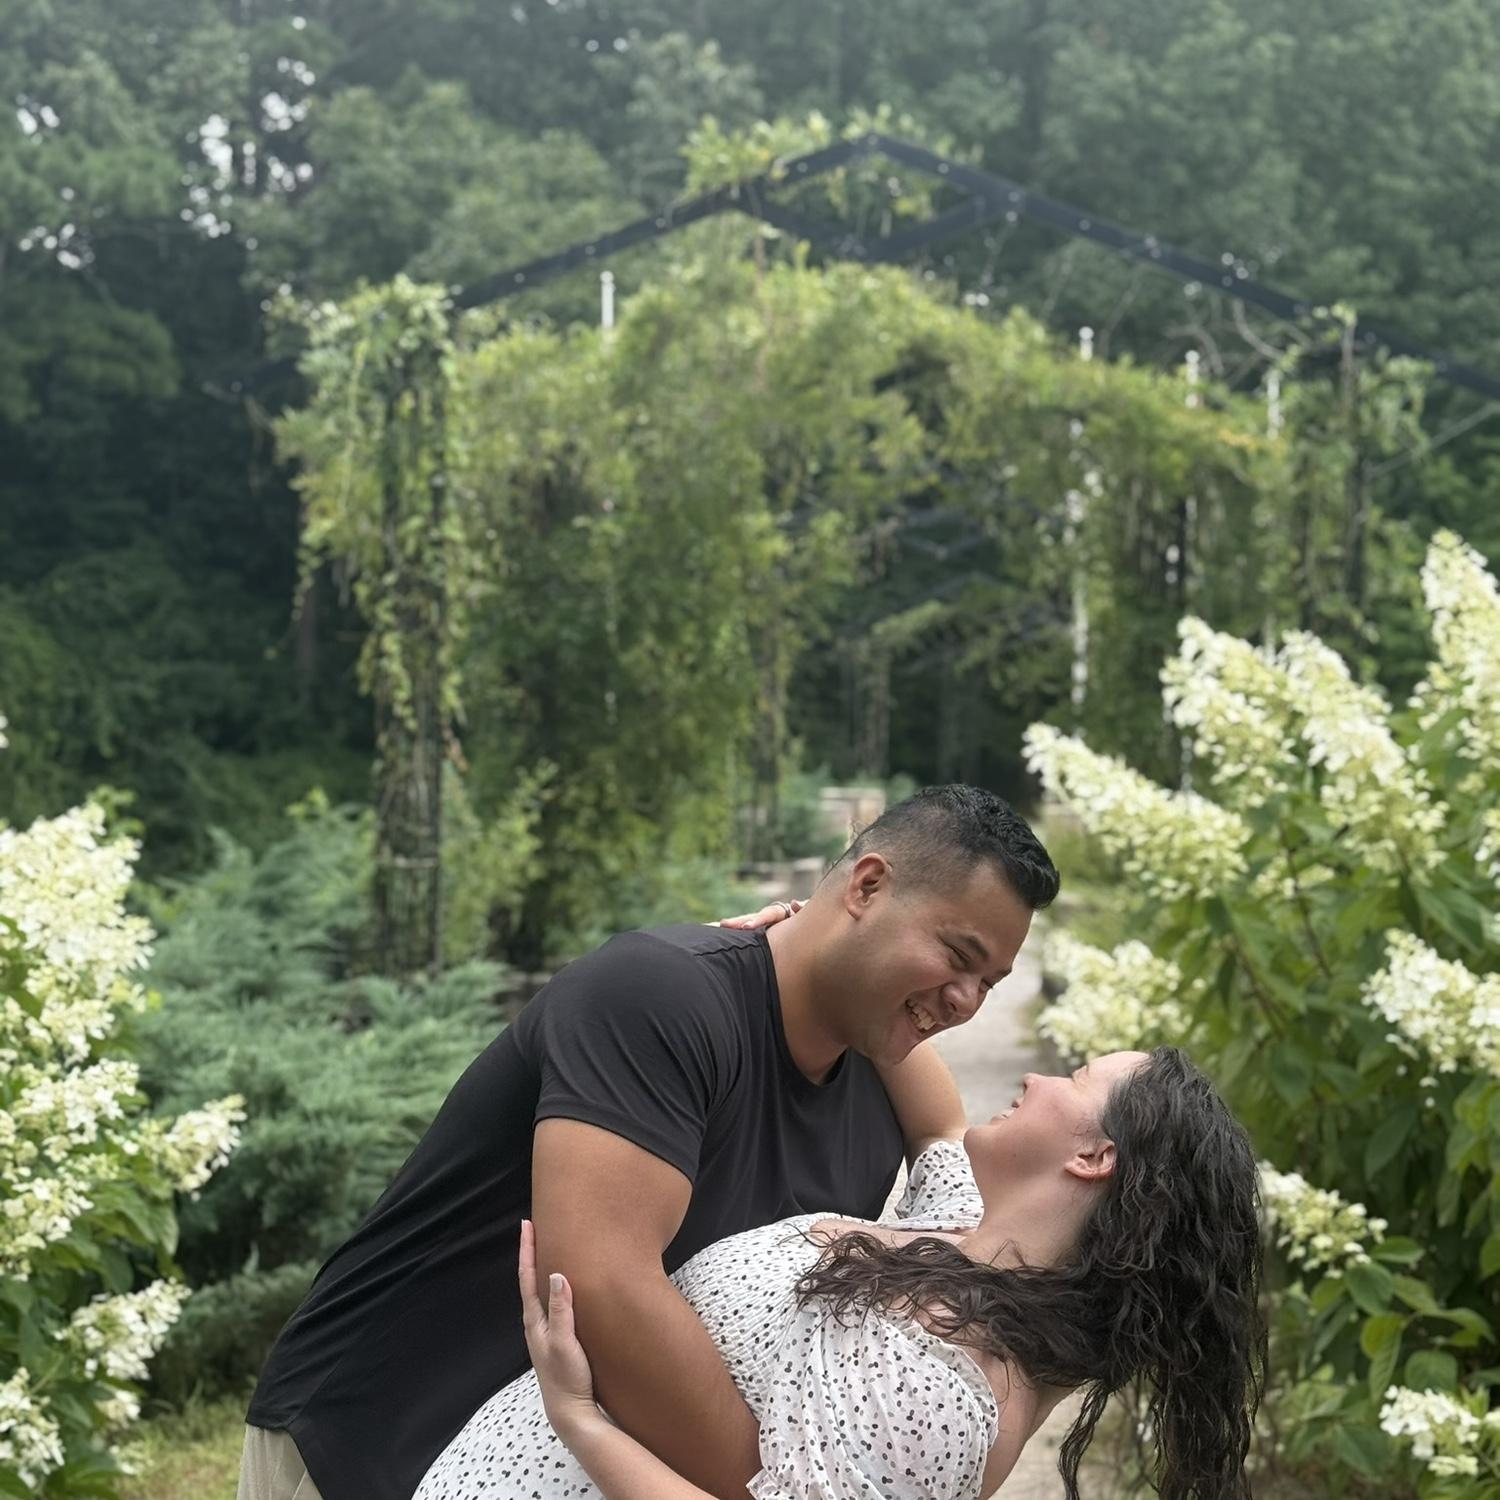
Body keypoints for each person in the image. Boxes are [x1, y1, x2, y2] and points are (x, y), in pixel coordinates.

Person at [238, 785, 1059, 1500]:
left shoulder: (877, 1080)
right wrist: (774, 1484)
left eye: (989, 983)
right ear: (868, 886)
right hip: (378, 1440)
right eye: (958, 956)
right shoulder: (657, 996)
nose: (967, 1002)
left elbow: (945, 1135)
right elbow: (601, 1288)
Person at [491, 1045, 1266, 1500]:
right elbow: (937, 1122)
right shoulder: (967, 1237)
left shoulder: (943, 1383)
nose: (1038, 1079)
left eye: (1077, 1075)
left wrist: (581, 1419)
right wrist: (819, 933)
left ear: (1094, 1157)